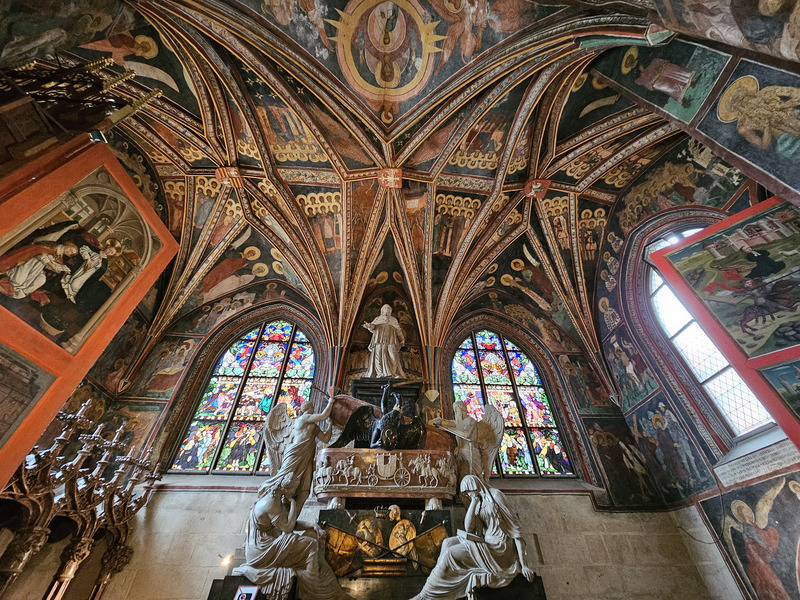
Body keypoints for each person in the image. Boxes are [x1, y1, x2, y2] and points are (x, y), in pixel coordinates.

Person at [410, 475, 534, 600]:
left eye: (468, 491)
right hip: (486, 543)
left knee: (450, 554)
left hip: (499, 549)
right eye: (466, 493)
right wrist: (474, 502)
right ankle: (436, 586)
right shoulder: (478, 502)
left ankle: (426, 595)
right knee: (447, 543)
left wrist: (524, 565)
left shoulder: (496, 496)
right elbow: (469, 528)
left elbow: (516, 530)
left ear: (474, 485)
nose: (468, 495)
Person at [233, 478, 351, 600]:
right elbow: (288, 528)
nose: (294, 493)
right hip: (262, 550)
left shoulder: (275, 500)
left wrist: (311, 525)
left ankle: (323, 581)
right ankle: (312, 583)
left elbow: (289, 524)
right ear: (285, 488)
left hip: (271, 544)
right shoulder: (271, 504)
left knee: (312, 534)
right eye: (293, 490)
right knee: (311, 544)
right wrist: (293, 503)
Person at [262, 395, 336, 523]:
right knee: (284, 478)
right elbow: (324, 415)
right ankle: (269, 503)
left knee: (305, 488)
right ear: (307, 409)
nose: (313, 408)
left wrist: (329, 425)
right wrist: (331, 401)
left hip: (307, 457)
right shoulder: (303, 418)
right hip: (294, 453)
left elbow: (325, 439)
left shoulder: (313, 426)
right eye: (312, 407)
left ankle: (292, 520)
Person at [0, 242, 78, 302]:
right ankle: (12, 282)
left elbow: (53, 263)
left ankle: (20, 292)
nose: (69, 251)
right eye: (70, 249)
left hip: (38, 267)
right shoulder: (54, 247)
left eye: (71, 253)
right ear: (68, 245)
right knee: (17, 281)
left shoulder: (59, 254)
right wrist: (52, 265)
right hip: (31, 262)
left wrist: (63, 268)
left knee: (39, 280)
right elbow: (40, 253)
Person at [61, 244, 117, 308]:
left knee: (75, 285)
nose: (109, 252)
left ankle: (67, 296)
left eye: (111, 252)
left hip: (88, 275)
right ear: (108, 247)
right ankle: (62, 293)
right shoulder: (95, 250)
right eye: (110, 249)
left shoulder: (104, 263)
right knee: (72, 279)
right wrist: (87, 258)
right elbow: (83, 248)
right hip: (82, 268)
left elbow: (100, 271)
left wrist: (98, 264)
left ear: (112, 255)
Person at [363, 304, 406, 378]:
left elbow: (398, 330)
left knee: (393, 356)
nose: (387, 309)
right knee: (378, 356)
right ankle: (380, 374)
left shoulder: (393, 320)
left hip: (391, 341)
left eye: (389, 308)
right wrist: (369, 326)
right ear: (382, 310)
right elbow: (373, 327)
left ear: (391, 311)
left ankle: (393, 373)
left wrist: (402, 339)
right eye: (385, 308)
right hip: (379, 340)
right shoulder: (378, 319)